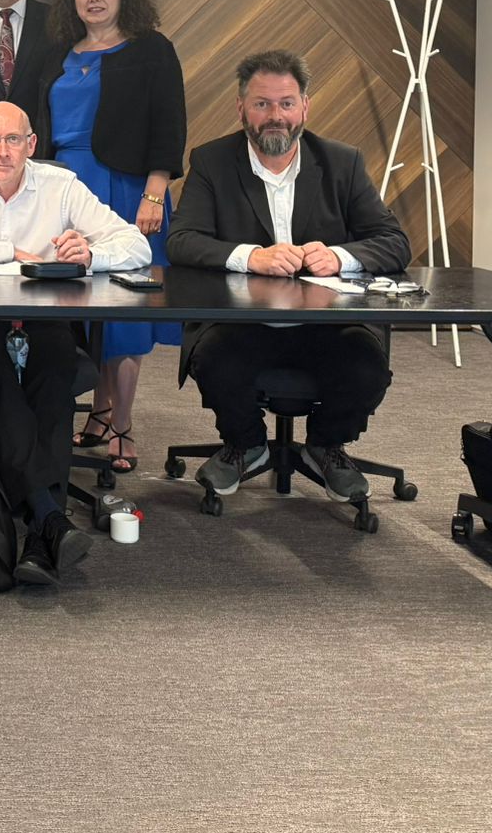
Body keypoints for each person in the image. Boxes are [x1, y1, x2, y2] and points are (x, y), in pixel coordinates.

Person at [0, 102, 153, 581]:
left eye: (13, 140)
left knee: (54, 381)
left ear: (31, 145)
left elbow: (136, 245)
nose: (2, 151)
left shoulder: (60, 185)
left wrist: (92, 255)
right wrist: (10, 253)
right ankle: (49, 517)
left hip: (44, 320)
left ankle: (41, 529)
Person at [166, 50, 413, 502]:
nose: (275, 116)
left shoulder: (342, 162)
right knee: (216, 360)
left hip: (328, 323)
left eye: (286, 103)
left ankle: (326, 446)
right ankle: (245, 444)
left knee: (365, 367)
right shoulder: (212, 161)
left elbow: (394, 242)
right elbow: (181, 240)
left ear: (305, 107)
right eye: (262, 104)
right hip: (242, 321)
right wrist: (250, 257)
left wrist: (340, 256)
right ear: (241, 108)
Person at [25, 0, 185, 471]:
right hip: (65, 188)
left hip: (128, 188)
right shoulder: (59, 53)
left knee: (122, 313)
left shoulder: (151, 49)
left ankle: (123, 424)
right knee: (83, 307)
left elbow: (169, 123)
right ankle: (98, 411)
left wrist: (155, 191)